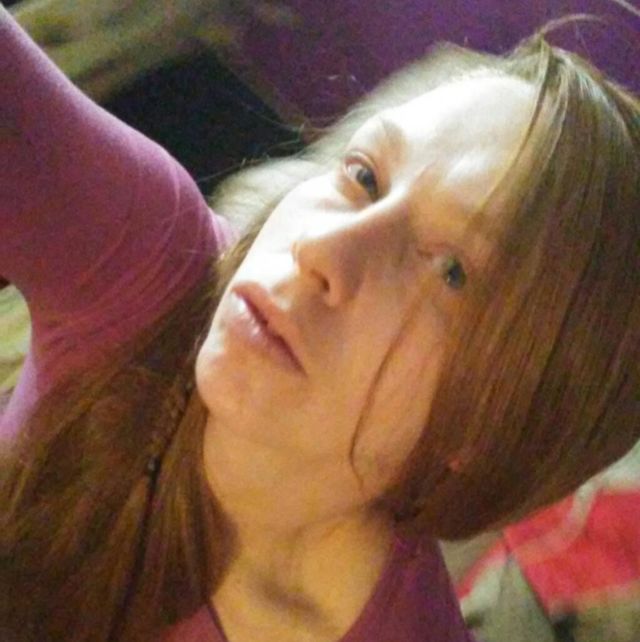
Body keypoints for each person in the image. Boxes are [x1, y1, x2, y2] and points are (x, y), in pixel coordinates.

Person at [1, 6, 639, 642]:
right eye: (364, 176)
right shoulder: (151, 264)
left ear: (494, 428)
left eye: (452, 273)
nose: (322, 249)